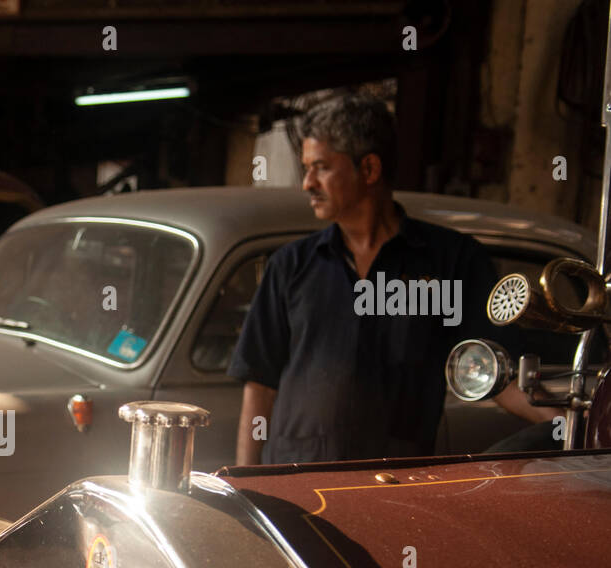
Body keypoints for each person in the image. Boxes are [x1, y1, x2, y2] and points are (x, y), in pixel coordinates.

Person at [229, 94, 557, 466]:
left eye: (320, 167)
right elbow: (259, 384)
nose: (307, 183)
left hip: (392, 486)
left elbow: (493, 372)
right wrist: (246, 483)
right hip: (296, 478)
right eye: (306, 168)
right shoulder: (291, 266)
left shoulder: (450, 260)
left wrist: (568, 424)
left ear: (369, 169)